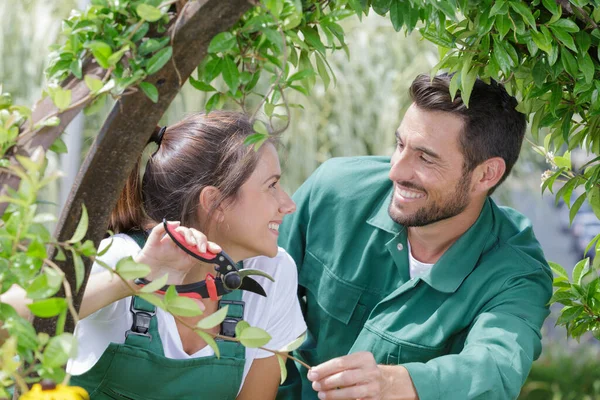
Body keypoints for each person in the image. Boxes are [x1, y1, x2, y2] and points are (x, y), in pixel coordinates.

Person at [277, 74, 553, 400]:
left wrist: (394, 383)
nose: (396, 170)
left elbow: (495, 368)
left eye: (425, 158)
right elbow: (258, 293)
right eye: (400, 145)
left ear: (486, 174)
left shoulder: (515, 274)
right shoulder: (333, 191)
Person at [4, 111, 306, 399]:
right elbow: (7, 319)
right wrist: (133, 279)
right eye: (272, 186)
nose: (288, 204)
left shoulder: (273, 273)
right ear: (215, 202)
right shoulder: (122, 257)